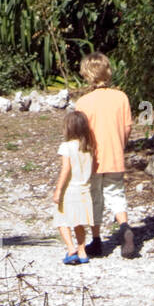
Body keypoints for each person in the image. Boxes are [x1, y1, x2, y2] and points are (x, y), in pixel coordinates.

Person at [75, 52, 136, 258]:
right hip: (115, 154)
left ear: (87, 74)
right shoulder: (121, 97)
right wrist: (120, 145)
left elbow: (80, 134)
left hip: (92, 158)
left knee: (95, 198)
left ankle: (97, 240)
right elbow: (127, 127)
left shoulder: (83, 103)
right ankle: (125, 226)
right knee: (116, 194)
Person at [52, 110, 96, 264]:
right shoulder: (88, 147)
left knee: (61, 220)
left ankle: (71, 249)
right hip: (85, 189)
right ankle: (82, 251)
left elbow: (66, 169)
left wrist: (58, 189)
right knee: (79, 222)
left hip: (70, 190)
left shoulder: (66, 146)